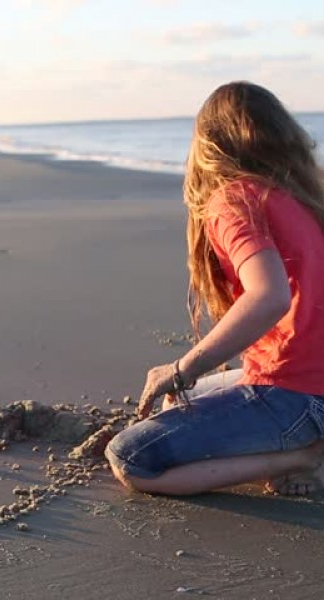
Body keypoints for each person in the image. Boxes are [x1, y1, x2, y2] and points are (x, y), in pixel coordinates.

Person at [105, 81, 324, 496]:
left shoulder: (234, 200)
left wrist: (183, 367)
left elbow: (269, 296)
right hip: (308, 384)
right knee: (177, 401)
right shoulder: (307, 197)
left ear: (208, 143)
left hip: (299, 398)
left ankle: (304, 457)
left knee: (133, 457)